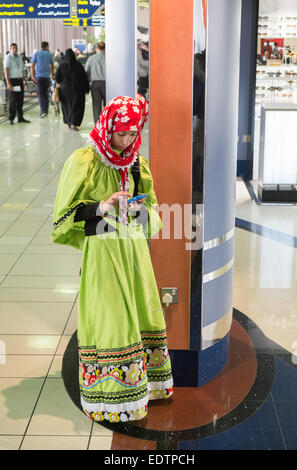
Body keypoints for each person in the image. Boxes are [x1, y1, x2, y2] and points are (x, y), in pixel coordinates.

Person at [51, 95, 173, 423]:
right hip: (103, 251)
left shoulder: (135, 163)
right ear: (108, 128)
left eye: (134, 135)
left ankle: (144, 388)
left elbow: (154, 210)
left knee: (140, 310)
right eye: (122, 134)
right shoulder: (85, 160)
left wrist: (140, 211)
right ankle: (108, 396)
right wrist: (101, 208)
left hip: (133, 251)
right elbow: (63, 216)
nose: (128, 141)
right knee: (110, 317)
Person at [55, 48, 90, 131]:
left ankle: (68, 122)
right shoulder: (78, 65)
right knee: (77, 106)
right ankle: (74, 123)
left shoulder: (62, 65)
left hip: (65, 90)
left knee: (66, 106)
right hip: (78, 89)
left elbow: (57, 78)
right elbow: (84, 77)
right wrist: (86, 88)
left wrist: (61, 82)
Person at [4, 43, 30, 125]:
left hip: (19, 80)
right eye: (13, 48)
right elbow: (6, 71)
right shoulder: (8, 58)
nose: (15, 50)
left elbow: (22, 69)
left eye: (16, 48)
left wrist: (24, 81)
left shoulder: (19, 57)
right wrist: (8, 83)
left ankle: (20, 117)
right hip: (12, 81)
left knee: (20, 99)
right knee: (12, 100)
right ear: (10, 49)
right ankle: (11, 118)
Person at [30, 41, 54, 118]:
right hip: (46, 77)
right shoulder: (49, 54)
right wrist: (51, 74)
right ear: (47, 46)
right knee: (46, 94)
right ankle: (45, 111)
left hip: (39, 77)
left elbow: (32, 65)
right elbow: (52, 65)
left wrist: (32, 76)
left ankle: (42, 111)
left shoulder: (36, 53)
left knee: (40, 94)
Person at [85, 41, 106, 124]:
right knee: (107, 105)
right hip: (108, 84)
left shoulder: (91, 58)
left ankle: (97, 125)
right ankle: (106, 123)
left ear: (96, 48)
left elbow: (86, 72)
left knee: (96, 105)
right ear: (105, 48)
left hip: (95, 84)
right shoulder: (110, 58)